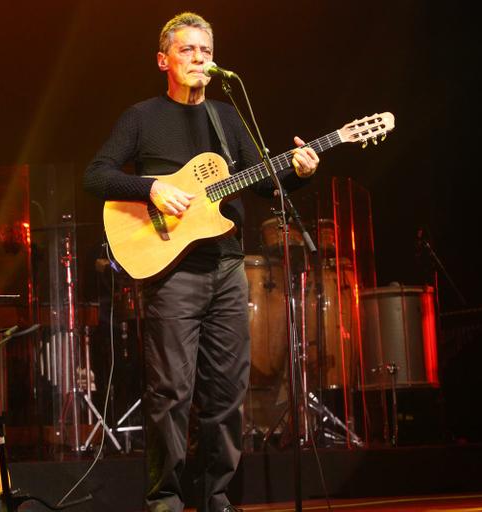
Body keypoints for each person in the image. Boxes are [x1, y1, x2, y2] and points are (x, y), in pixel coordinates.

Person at [84, 12, 319, 512]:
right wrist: (151, 187)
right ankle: (166, 502)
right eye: (188, 50)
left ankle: (217, 500)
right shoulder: (141, 118)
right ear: (163, 60)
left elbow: (262, 180)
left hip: (228, 269)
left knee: (228, 398)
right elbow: (96, 176)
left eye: (206, 51)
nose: (199, 59)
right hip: (171, 274)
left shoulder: (226, 117)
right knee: (170, 395)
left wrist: (297, 172)